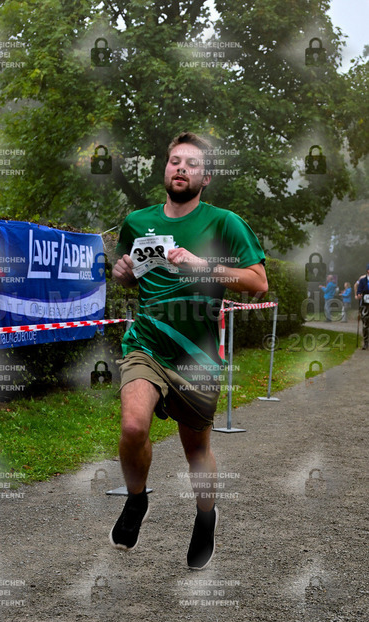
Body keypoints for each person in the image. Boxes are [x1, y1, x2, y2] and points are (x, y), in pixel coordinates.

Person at [110, 132, 268, 569]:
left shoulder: (224, 222)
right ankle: (137, 499)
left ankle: (205, 516)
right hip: (146, 343)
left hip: (197, 356)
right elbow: (128, 275)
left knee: (195, 450)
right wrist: (122, 272)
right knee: (133, 426)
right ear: (165, 169)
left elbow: (258, 281)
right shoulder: (137, 221)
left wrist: (202, 266)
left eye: (192, 164)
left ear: (206, 177)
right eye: (174, 161)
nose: (181, 168)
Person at [356, 264, 369, 350]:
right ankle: (366, 342)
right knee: (365, 323)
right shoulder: (363, 280)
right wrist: (359, 294)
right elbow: (359, 289)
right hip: (365, 304)